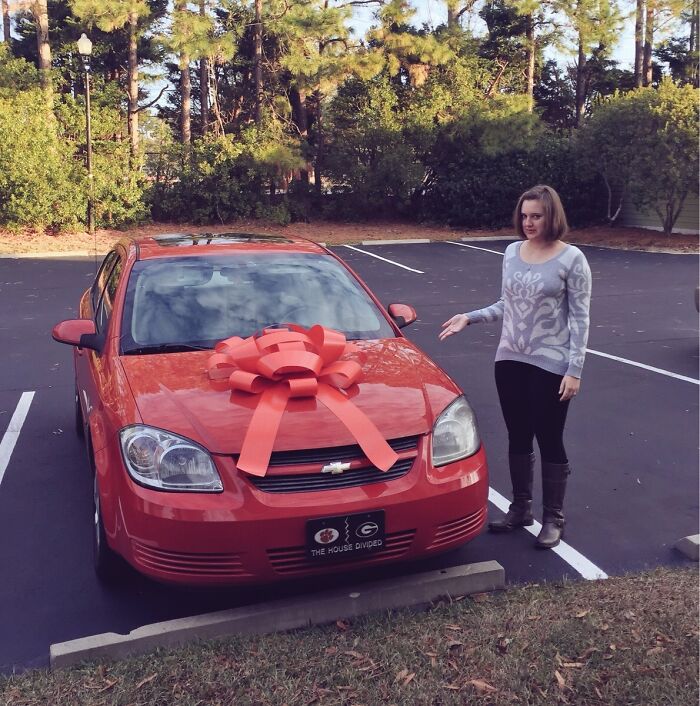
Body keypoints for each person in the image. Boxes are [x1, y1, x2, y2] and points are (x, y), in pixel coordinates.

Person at [439, 185, 592, 549]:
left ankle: (554, 517)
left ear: (552, 216)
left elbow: (581, 320)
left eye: (536, 216)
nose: (528, 223)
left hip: (551, 365)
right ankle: (521, 509)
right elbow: (507, 304)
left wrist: (575, 370)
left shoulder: (572, 260)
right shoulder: (511, 252)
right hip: (510, 361)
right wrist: (469, 317)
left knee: (549, 437)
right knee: (518, 435)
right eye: (524, 216)